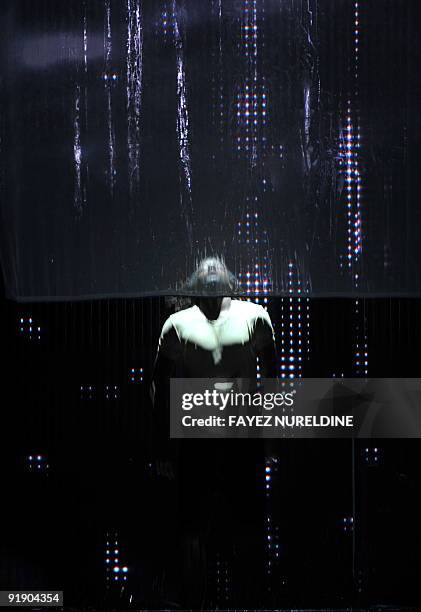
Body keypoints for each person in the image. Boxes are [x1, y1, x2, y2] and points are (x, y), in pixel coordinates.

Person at [150, 257, 277, 607]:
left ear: (231, 278)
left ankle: (251, 601)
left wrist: (270, 434)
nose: (210, 265)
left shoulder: (255, 315)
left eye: (216, 262)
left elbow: (271, 382)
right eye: (204, 263)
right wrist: (164, 445)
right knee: (192, 529)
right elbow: (160, 386)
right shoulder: (176, 323)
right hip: (197, 438)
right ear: (191, 280)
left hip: (240, 435)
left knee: (247, 526)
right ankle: (195, 603)